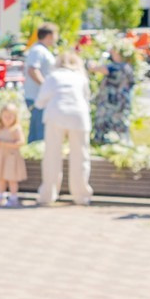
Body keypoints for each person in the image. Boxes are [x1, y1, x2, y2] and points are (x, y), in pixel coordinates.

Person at [36, 43, 96, 208]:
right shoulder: (80, 77)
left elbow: (40, 100)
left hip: (56, 114)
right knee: (80, 156)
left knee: (52, 155)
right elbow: (86, 97)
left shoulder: (53, 77)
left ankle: (48, 195)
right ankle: (81, 195)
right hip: (79, 116)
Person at [0, 91, 26, 207]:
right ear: (1, 117)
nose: (7, 119)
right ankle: (1, 196)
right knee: (1, 178)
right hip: (1, 157)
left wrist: (4, 144)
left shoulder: (16, 129)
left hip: (11, 158)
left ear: (15, 117)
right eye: (5, 116)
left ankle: (13, 197)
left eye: (10, 116)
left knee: (12, 179)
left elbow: (21, 142)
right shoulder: (0, 128)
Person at [21, 20, 56, 143]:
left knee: (38, 131)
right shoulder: (38, 50)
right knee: (38, 134)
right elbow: (33, 70)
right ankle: (36, 154)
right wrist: (46, 86)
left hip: (40, 96)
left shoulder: (42, 50)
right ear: (49, 35)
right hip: (37, 97)